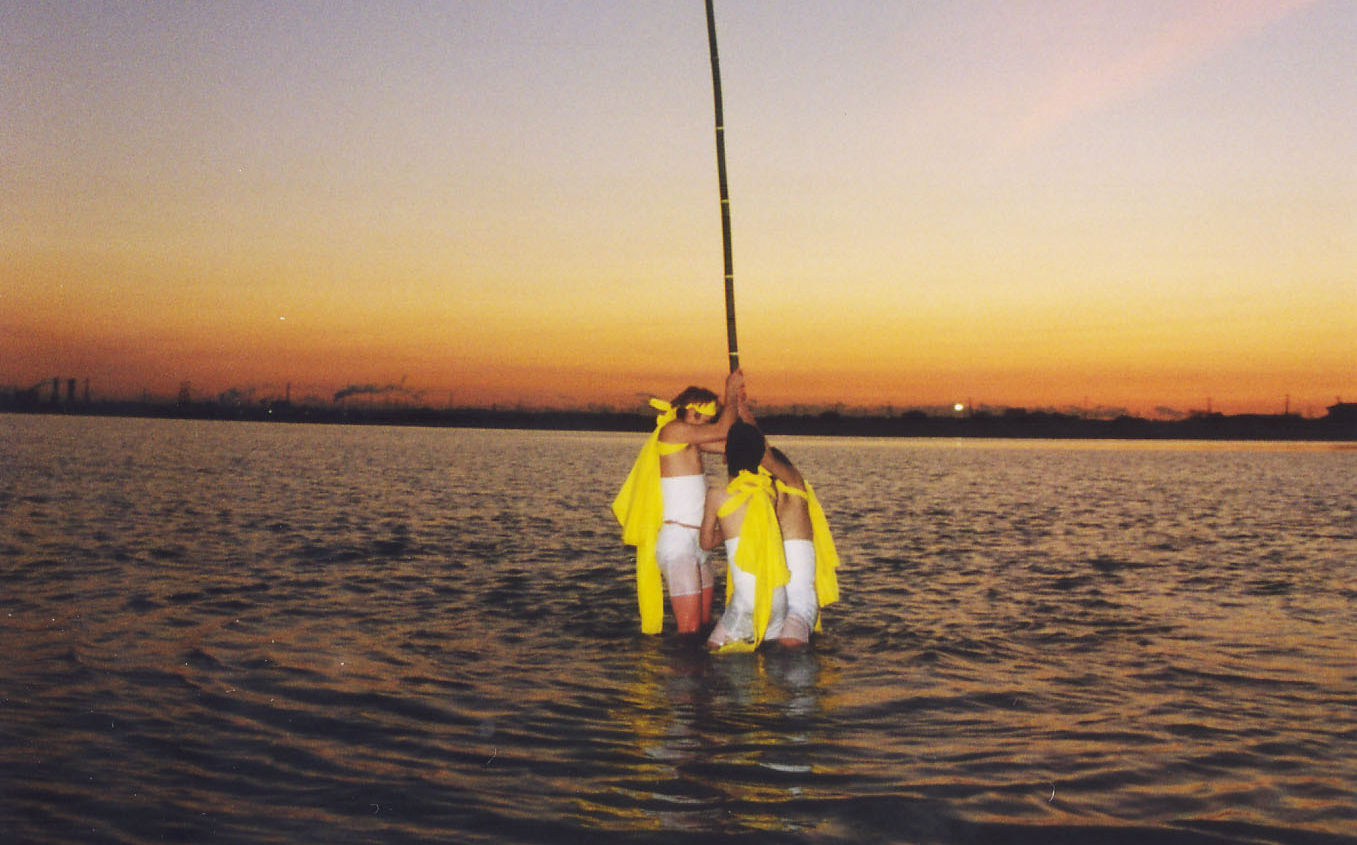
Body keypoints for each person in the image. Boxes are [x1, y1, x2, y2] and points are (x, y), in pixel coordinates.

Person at [613, 369, 744, 635]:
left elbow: (738, 443)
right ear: (686, 412)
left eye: (707, 419)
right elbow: (723, 429)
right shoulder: (672, 432)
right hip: (678, 542)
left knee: (704, 626)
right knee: (689, 630)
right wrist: (730, 392)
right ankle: (680, 674)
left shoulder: (693, 440)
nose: (703, 425)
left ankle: (701, 671)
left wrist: (741, 408)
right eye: (701, 419)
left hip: (700, 542)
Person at [700, 421, 789, 652]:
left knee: (712, 653)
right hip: (777, 597)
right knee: (769, 662)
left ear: (725, 458)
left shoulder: (718, 496)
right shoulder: (769, 492)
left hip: (747, 600)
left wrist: (727, 531)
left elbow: (705, 542)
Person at [759, 446, 840, 647]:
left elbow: (759, 451)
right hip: (774, 607)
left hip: (800, 606)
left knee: (788, 643)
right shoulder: (760, 500)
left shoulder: (795, 487)